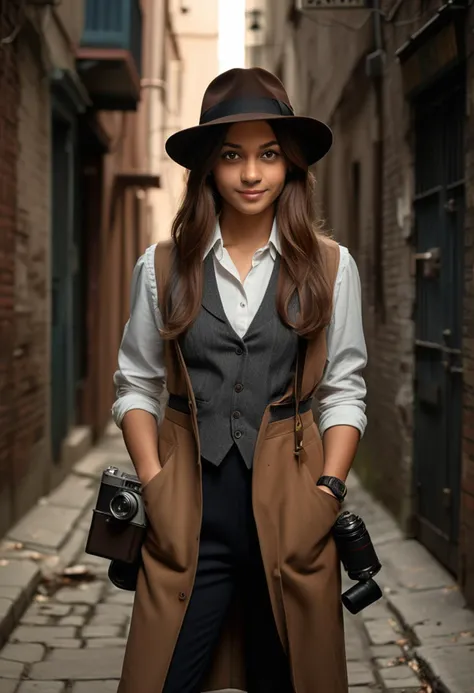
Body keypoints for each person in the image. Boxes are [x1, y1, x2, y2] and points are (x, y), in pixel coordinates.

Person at [112, 67, 367, 693]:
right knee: (163, 677)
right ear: (209, 168)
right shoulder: (162, 267)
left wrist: (328, 491)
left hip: (294, 505)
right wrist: (156, 482)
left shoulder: (332, 267)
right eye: (232, 155)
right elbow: (136, 385)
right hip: (191, 505)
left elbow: (344, 389)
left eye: (268, 155)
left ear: (289, 166)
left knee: (287, 676)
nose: (251, 174)